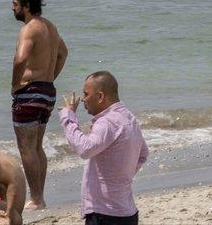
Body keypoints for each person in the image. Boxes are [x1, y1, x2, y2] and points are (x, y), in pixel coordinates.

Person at [59, 71, 148, 225]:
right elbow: (143, 154)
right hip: (127, 213)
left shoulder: (107, 122)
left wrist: (68, 117)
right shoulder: (129, 118)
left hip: (105, 214)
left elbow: (85, 148)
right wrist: (120, 177)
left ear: (100, 97)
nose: (84, 100)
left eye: (86, 94)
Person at [10, 0, 67, 211]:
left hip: (30, 92)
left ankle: (36, 199)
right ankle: (39, 197)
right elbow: (63, 52)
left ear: (26, 6)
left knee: (26, 148)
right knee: (37, 147)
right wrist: (50, 76)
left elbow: (20, 59)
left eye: (15, 4)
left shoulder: (29, 29)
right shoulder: (50, 27)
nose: (12, 9)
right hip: (47, 91)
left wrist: (15, 84)